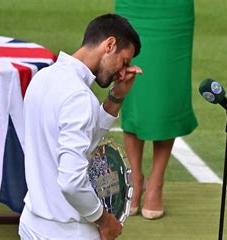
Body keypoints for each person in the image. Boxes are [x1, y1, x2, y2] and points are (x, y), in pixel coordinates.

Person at [19, 14, 142, 240]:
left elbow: (82, 146)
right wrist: (104, 221)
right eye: (124, 61)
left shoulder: (42, 78)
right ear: (110, 45)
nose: (122, 71)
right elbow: (71, 182)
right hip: (68, 232)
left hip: (31, 224)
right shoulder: (79, 96)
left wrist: (115, 97)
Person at [115, 0, 198, 220]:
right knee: (134, 95)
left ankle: (156, 182)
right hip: (134, 8)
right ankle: (135, 178)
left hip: (172, 11)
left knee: (166, 94)